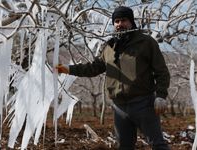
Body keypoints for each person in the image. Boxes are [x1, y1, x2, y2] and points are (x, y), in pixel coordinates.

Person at [55, 6, 170, 150]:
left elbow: (162, 72)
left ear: (131, 22)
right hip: (120, 107)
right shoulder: (110, 46)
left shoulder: (146, 43)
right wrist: (66, 69)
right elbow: (94, 68)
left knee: (158, 144)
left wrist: (161, 96)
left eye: (124, 20)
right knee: (123, 146)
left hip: (143, 103)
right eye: (117, 21)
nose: (120, 24)